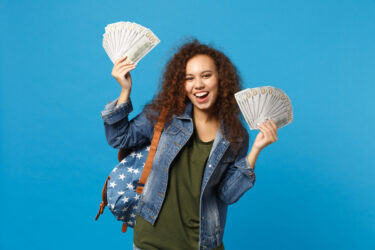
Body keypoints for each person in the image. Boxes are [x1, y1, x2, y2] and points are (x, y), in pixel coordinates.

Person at [100, 39, 278, 250]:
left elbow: (227, 195)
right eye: (189, 78)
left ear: (221, 79)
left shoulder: (235, 135)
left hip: (203, 243)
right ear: (181, 84)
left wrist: (255, 151)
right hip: (151, 243)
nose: (198, 85)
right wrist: (124, 91)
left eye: (206, 75)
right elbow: (119, 138)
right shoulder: (164, 115)